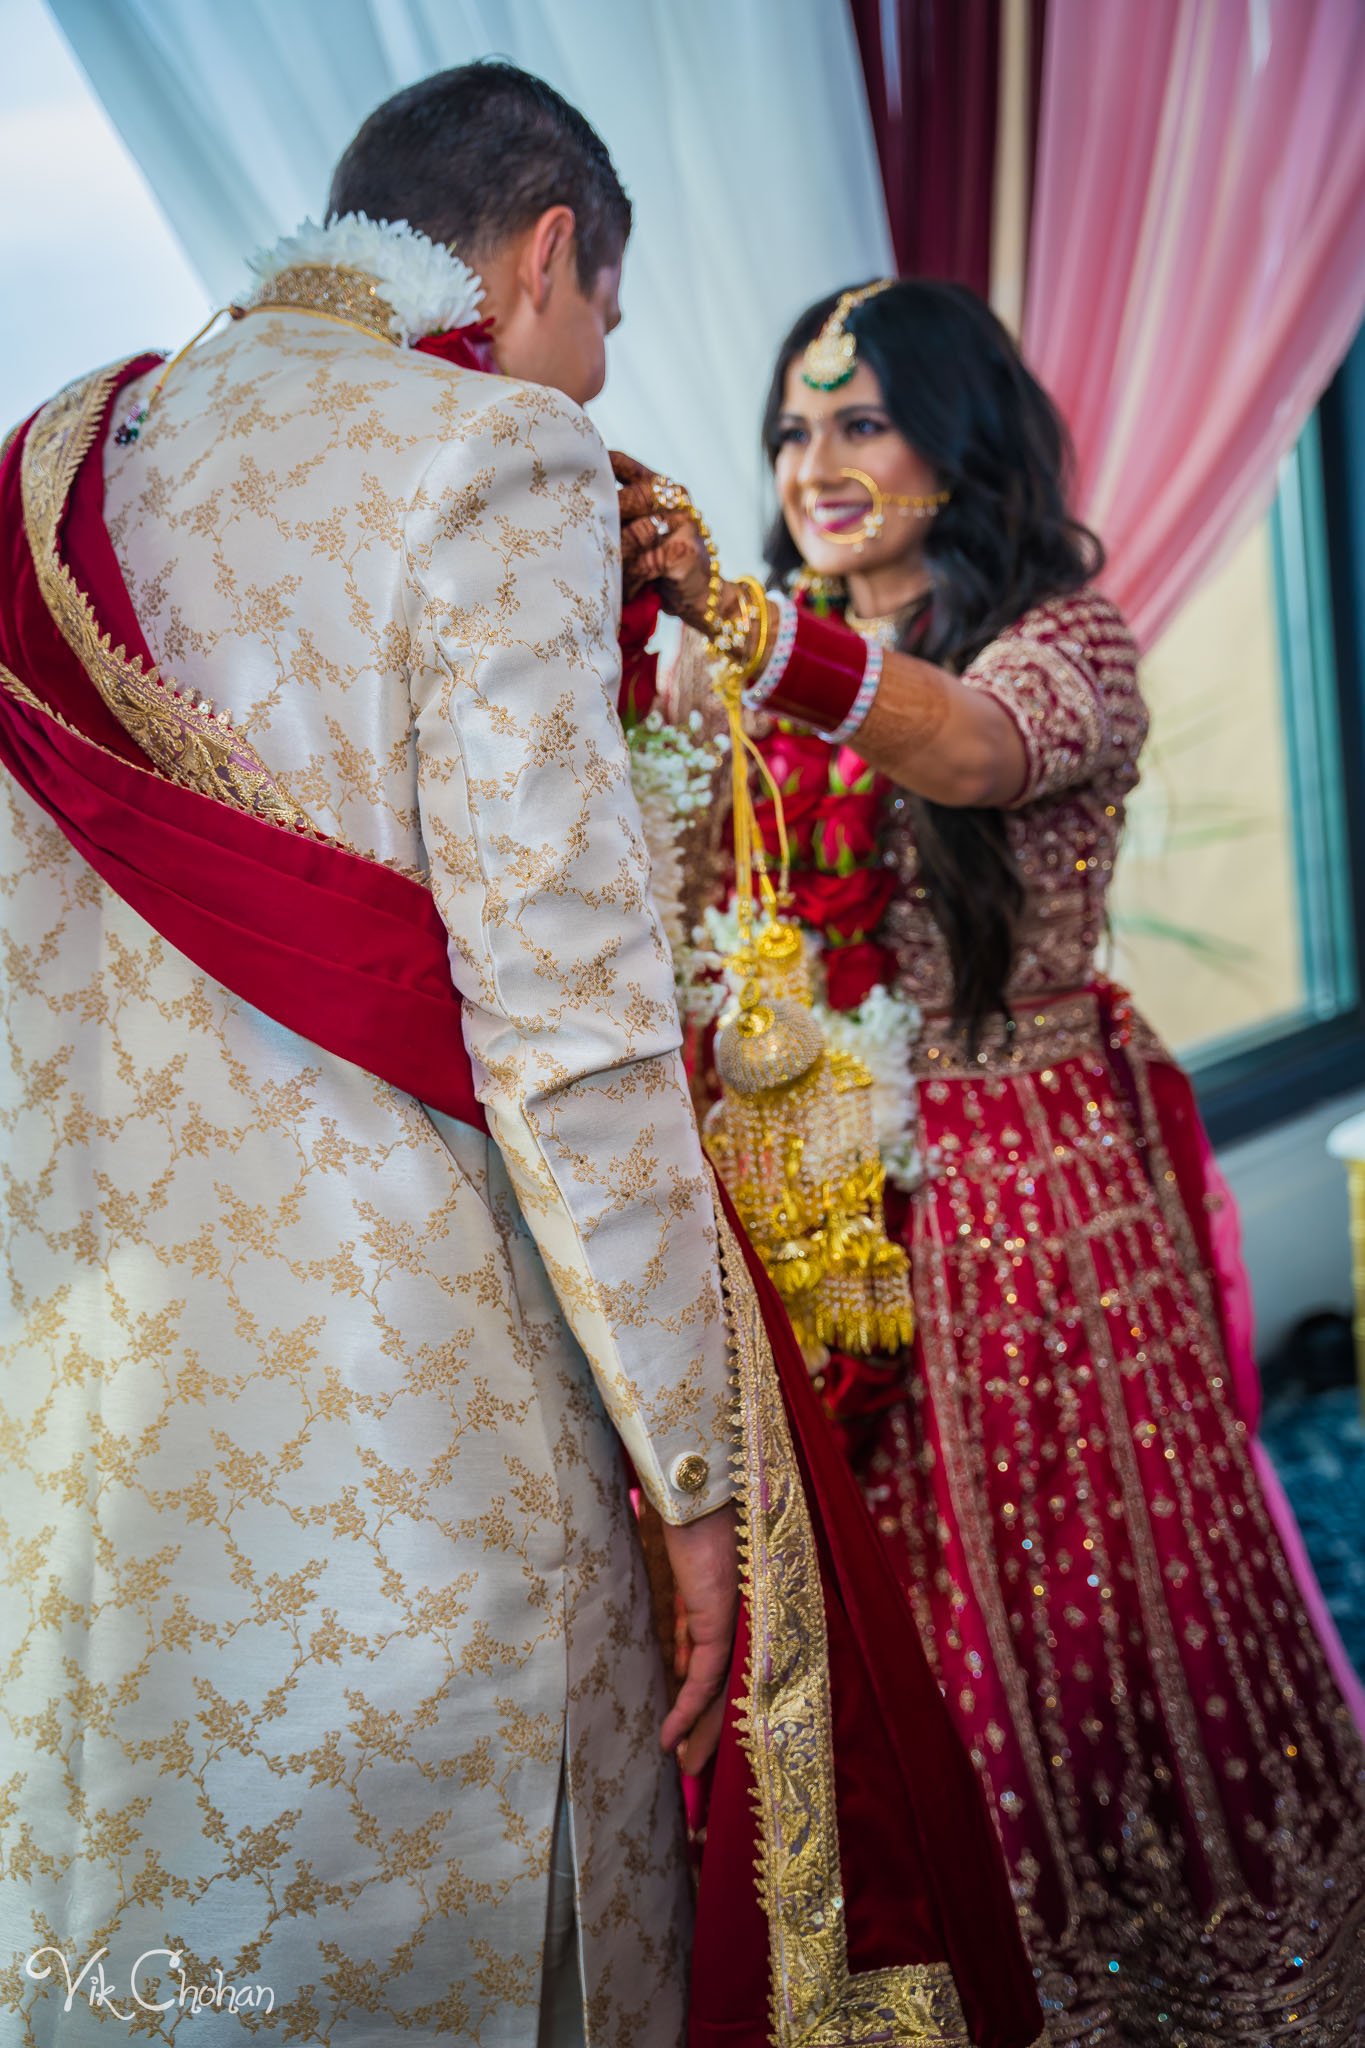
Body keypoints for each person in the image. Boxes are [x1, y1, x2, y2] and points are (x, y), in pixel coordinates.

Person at [0, 72, 1047, 2048]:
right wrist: (693, 1476)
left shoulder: (55, 459)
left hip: (94, 1411)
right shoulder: (494, 458)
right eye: (603, 335)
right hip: (415, 1421)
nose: (587, 383)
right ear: (550, 253)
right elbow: (560, 1032)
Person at [617, 277, 1365, 2045]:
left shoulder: (1061, 643)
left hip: (1034, 1201)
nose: (817, 462)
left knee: (1099, 1615)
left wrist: (736, 626)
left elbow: (961, 744)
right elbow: (680, 910)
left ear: (957, 446)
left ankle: (1185, 1982)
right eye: (795, 431)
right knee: (900, 1637)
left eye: (861, 420)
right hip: (821, 1212)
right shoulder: (746, 665)